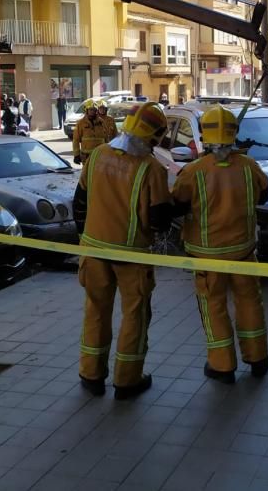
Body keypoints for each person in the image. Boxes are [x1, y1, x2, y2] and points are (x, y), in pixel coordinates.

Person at [72, 102, 172, 399]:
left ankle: (91, 375)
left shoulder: (99, 155)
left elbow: (80, 201)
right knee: (135, 315)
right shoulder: (151, 168)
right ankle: (127, 380)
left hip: (94, 250)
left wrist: (86, 239)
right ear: (153, 136)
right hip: (132, 256)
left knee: (96, 312)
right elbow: (159, 221)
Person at [171, 105, 268, 383]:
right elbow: (264, 196)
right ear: (234, 133)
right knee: (250, 304)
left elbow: (176, 204)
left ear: (204, 134)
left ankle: (222, 365)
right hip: (243, 252)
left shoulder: (194, 171)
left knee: (214, 308)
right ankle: (258, 358)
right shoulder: (250, 166)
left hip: (207, 257)